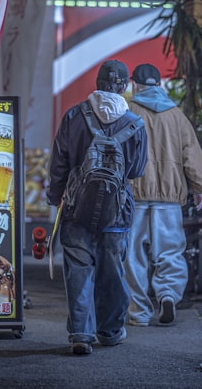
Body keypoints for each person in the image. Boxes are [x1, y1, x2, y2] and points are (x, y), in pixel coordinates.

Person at [47, 60, 148, 355]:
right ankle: (111, 330)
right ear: (125, 86)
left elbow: (59, 163)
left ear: (97, 83)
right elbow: (136, 170)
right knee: (113, 271)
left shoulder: (74, 116)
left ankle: (80, 334)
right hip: (116, 212)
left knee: (79, 270)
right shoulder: (135, 124)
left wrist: (56, 197)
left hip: (76, 209)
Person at [124, 63, 202, 327]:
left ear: (134, 84)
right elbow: (191, 154)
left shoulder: (128, 112)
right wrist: (201, 188)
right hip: (169, 198)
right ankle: (168, 295)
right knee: (170, 252)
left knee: (132, 255)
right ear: (159, 84)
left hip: (135, 195)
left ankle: (139, 312)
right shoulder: (177, 116)